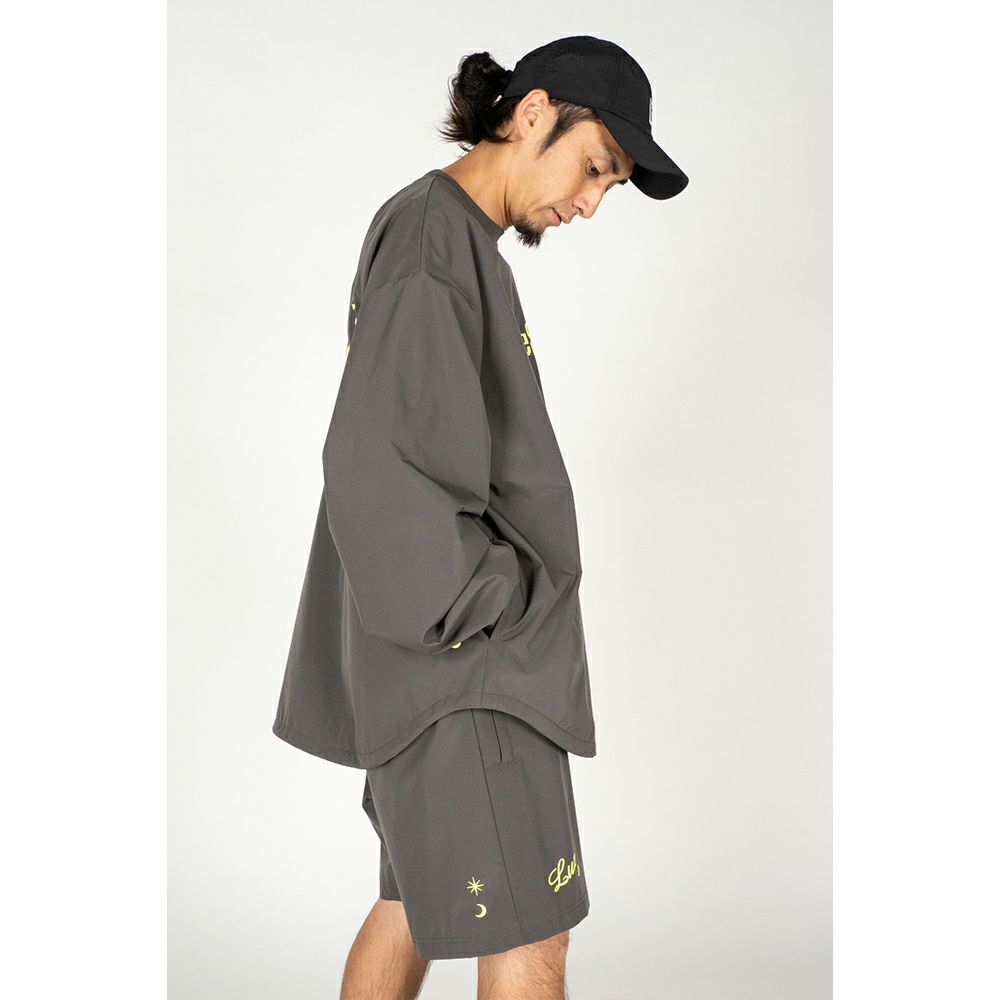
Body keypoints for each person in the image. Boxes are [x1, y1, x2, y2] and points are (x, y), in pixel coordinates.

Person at [271, 34, 688, 1000]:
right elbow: (377, 468)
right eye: (596, 166)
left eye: (610, 187)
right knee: (534, 933)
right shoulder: (433, 244)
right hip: (471, 676)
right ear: (534, 113)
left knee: (411, 905)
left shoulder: (446, 236)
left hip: (436, 673)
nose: (591, 202)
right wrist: (498, 599)